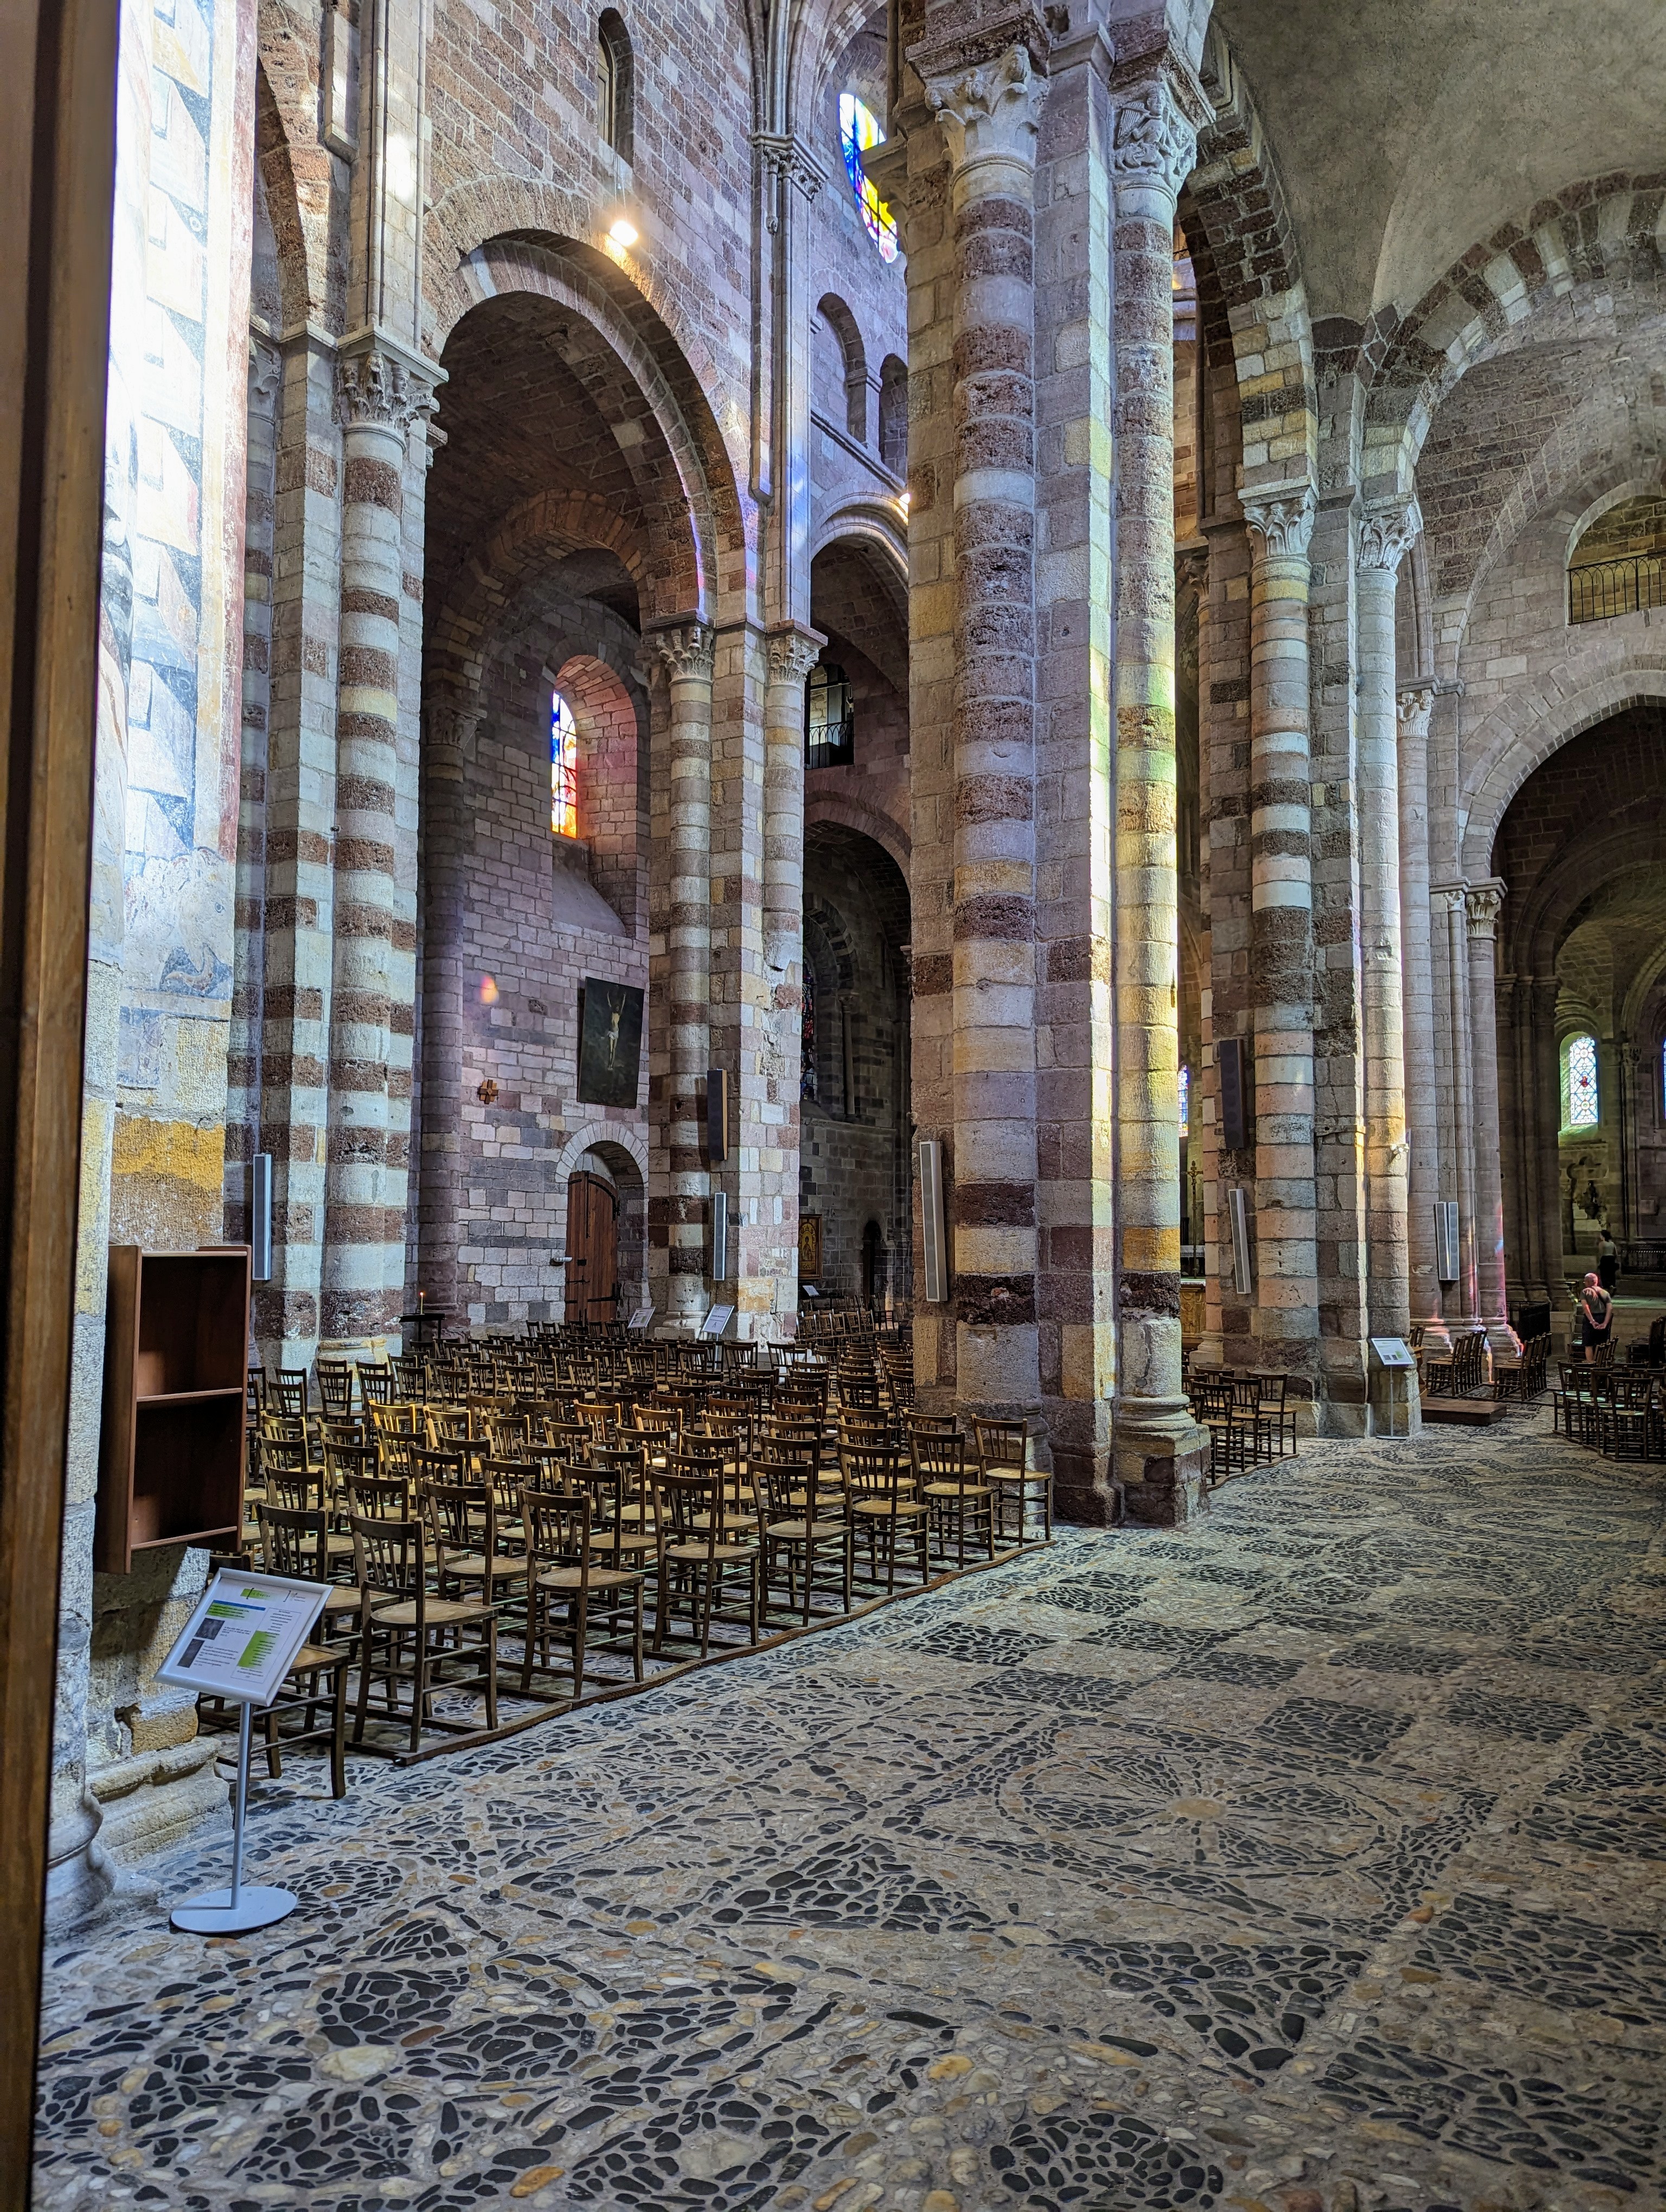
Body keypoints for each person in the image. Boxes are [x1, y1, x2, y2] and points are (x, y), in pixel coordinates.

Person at [1576, 1271, 1614, 1362]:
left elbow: (1586, 1307)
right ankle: (1600, 1363)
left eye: (1585, 1281)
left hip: (1590, 1319)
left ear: (1588, 1282)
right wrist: (1605, 1323)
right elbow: (1610, 1308)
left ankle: (1590, 1363)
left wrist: (1592, 1321)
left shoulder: (1585, 1292)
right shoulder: (1605, 1293)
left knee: (1589, 1343)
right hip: (1603, 1317)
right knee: (1602, 1343)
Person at [1596, 1227, 1619, 1293]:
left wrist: (1598, 1263)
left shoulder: (1602, 1243)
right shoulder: (1612, 1243)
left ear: (1603, 1236)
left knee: (1604, 1274)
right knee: (1611, 1273)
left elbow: (1600, 1254)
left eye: (1601, 1235)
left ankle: (1607, 1286)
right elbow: (1616, 1253)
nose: (1600, 1236)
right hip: (1611, 1259)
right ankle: (1613, 1285)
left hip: (1605, 1259)